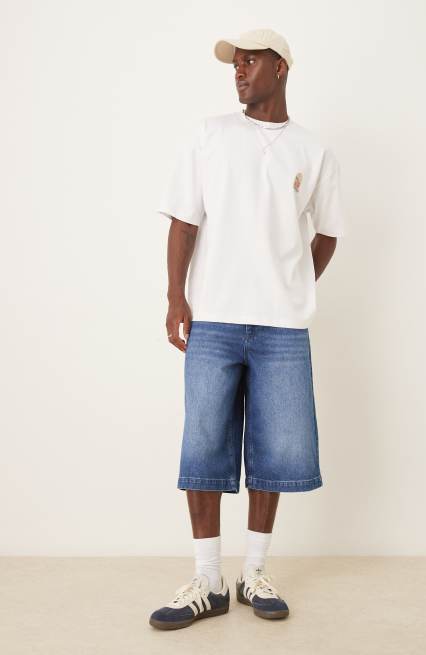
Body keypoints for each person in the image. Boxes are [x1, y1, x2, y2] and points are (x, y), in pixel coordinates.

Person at [149, 28, 345, 630]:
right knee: (203, 444)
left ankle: (254, 572)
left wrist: (293, 284)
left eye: (250, 61)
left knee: (276, 449)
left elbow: (328, 232)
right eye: (235, 63)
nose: (238, 71)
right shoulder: (210, 134)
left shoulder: (312, 151)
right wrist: (176, 296)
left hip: (282, 326)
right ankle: (208, 580)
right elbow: (185, 221)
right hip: (213, 316)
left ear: (280, 68)